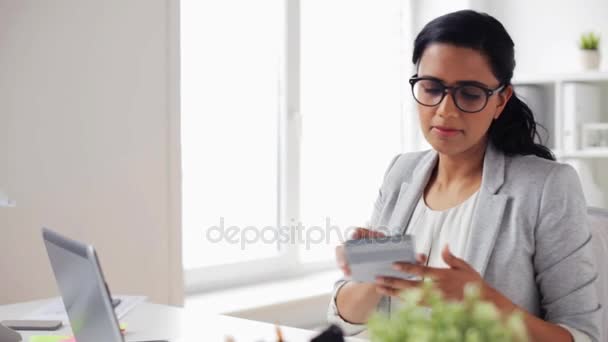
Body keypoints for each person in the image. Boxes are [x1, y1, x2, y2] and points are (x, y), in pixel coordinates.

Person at [327, 10, 601, 342]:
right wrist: (372, 276)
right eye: (431, 88)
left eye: (469, 94)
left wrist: (482, 301)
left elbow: (582, 335)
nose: (446, 110)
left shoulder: (546, 187)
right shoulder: (401, 173)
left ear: (501, 100)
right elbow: (344, 319)